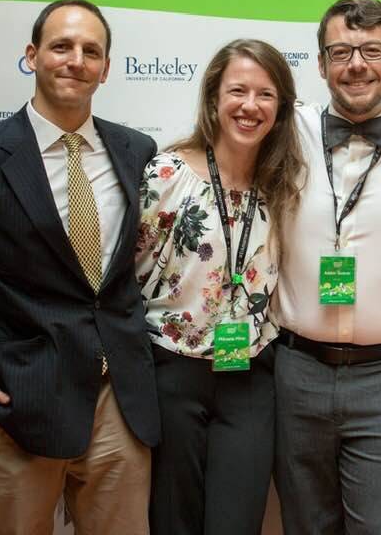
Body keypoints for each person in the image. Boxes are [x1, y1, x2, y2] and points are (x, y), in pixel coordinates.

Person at [0, 0, 160, 534]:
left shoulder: (137, 151)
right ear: (32, 55)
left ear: (106, 68)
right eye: (62, 46)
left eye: (91, 51)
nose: (76, 60)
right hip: (17, 403)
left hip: (118, 404)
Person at [271, 0, 381, 534]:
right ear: (321, 64)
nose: (357, 65)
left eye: (372, 50)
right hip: (295, 373)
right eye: (341, 52)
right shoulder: (282, 130)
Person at [136, 39, 305, 534]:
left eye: (265, 94)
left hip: (249, 376)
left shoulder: (285, 184)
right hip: (172, 372)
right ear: (213, 97)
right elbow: (123, 275)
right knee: (173, 520)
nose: (250, 106)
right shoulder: (167, 175)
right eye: (238, 91)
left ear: (281, 107)